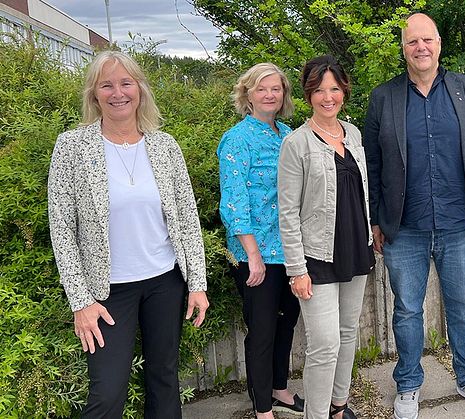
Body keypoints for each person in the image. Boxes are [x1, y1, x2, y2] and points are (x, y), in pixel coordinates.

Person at [47, 50, 209, 418]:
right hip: (106, 292)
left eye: (125, 82)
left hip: (165, 283)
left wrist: (196, 283)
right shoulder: (71, 147)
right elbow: (62, 229)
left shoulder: (165, 146)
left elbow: (187, 219)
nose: (117, 92)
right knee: (107, 391)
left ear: (140, 89)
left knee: (165, 379)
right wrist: (80, 302)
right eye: (107, 84)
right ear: (94, 94)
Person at [363, 13, 465, 419]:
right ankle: (407, 383)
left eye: (427, 40)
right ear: (403, 48)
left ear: (439, 44)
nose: (420, 47)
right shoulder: (383, 97)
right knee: (406, 309)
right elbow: (371, 164)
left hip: (459, 223)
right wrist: (374, 220)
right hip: (404, 227)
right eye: (411, 42)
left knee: (463, 307)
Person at [278, 55, 374, 419]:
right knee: (324, 344)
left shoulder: (354, 134)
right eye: (319, 90)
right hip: (316, 256)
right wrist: (296, 269)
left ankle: (338, 405)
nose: (328, 97)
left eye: (334, 89)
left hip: (355, 248)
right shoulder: (297, 143)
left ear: (344, 92)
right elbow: (287, 212)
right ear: (308, 94)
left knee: (348, 333)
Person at [218, 63, 303, 419]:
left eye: (276, 89)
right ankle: (262, 408)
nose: (269, 95)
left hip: (291, 251)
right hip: (257, 254)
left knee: (287, 321)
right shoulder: (237, 139)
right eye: (261, 89)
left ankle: (279, 388)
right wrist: (252, 255)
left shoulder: (289, 134)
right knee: (263, 329)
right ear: (247, 94)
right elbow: (233, 201)